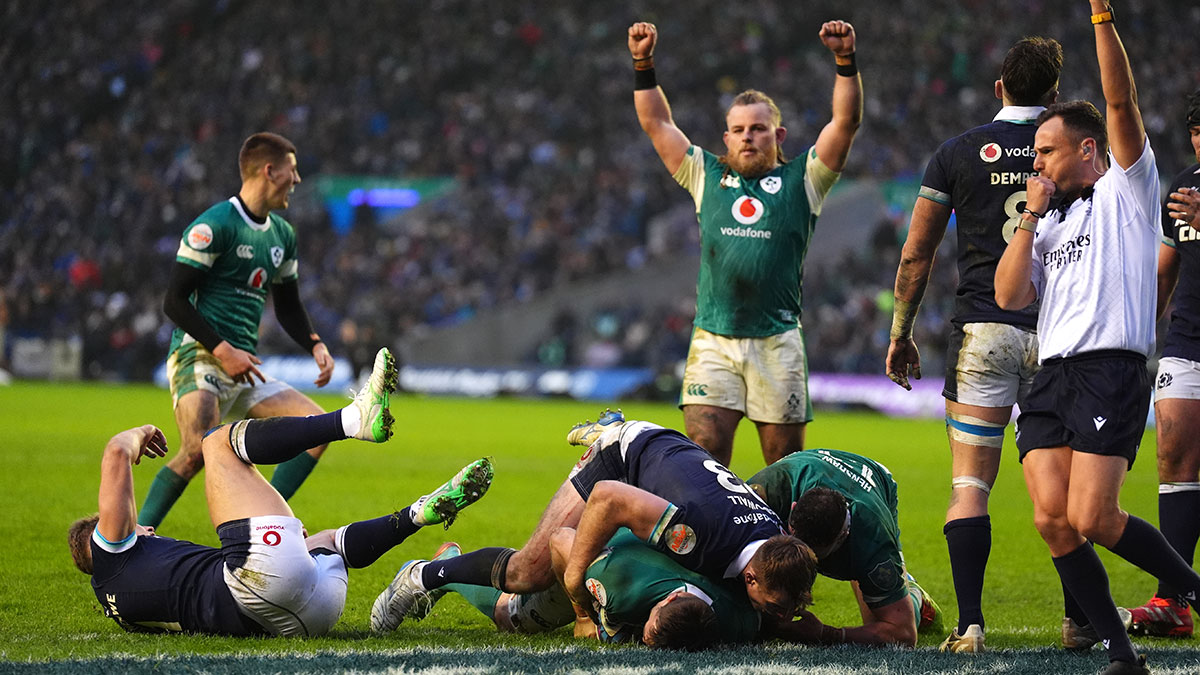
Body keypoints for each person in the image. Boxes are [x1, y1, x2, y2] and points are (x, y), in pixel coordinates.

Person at [993, 4, 1200, 673]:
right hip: (1050, 377)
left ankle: (1193, 593)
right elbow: (1008, 295)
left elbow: (1120, 98)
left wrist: (1103, 18)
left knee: (1096, 517)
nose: (1038, 163)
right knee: (1052, 519)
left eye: (1046, 150)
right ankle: (1120, 650)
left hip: (1110, 368)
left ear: (1086, 148)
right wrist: (1029, 211)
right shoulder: (1047, 224)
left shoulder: (1127, 190)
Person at [885, 37, 1099, 653]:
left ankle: (970, 624)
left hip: (984, 332)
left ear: (999, 88)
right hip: (1058, 333)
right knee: (1057, 489)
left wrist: (900, 333)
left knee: (969, 485)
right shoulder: (1076, 151)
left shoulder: (955, 153)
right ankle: (1078, 620)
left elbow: (916, 254)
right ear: (1055, 95)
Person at [67, 348, 495, 637]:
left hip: (308, 617)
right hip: (257, 580)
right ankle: (352, 420)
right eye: (135, 527)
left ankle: (417, 514)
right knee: (216, 443)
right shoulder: (113, 552)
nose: (147, 527)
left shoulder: (118, 609)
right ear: (103, 539)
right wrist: (139, 433)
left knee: (324, 542)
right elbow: (113, 454)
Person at [627, 19, 862, 466]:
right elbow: (655, 121)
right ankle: (717, 538)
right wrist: (642, 62)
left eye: (758, 128)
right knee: (703, 458)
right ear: (727, 138)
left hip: (778, 341)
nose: (748, 136)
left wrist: (845, 60)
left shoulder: (804, 179)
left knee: (781, 465)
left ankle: (776, 538)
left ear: (778, 136)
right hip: (713, 339)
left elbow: (845, 122)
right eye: (739, 129)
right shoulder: (705, 175)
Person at [369, 410, 817, 633]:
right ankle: (422, 576)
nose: (782, 619)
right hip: (622, 464)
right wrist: (581, 605)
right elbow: (607, 500)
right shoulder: (697, 535)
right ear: (753, 576)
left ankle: (610, 424)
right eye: (777, 608)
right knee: (531, 571)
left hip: (669, 463)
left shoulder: (776, 544)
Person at [139, 132, 338, 528]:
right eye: (292, 171)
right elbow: (174, 301)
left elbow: (287, 304)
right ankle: (134, 537)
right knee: (197, 450)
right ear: (270, 171)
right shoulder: (214, 226)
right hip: (200, 353)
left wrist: (314, 343)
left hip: (244, 363)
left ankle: (268, 520)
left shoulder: (283, 234)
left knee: (316, 430)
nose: (297, 181)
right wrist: (223, 349)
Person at [430, 528, 760, 649]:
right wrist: (584, 614)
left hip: (644, 557)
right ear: (672, 597)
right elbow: (560, 540)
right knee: (512, 617)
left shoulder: (744, 619)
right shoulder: (615, 585)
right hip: (593, 555)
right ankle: (448, 565)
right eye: (649, 629)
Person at [1129, 90, 1200, 639]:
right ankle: (1174, 599)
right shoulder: (1183, 184)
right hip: (1189, 338)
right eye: (1196, 132)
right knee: (1173, 452)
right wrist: (1140, 335)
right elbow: (1165, 269)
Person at [745, 448, 939, 647]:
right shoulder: (770, 491)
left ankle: (913, 594)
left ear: (842, 538)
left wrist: (827, 634)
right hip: (804, 466)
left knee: (879, 627)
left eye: (812, 555)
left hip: (873, 480)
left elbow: (903, 634)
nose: (799, 557)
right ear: (792, 509)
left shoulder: (872, 538)